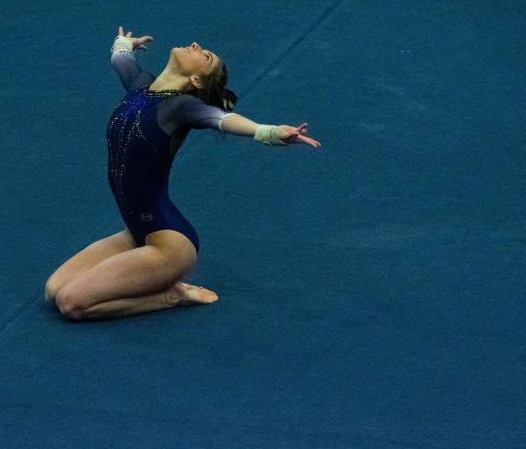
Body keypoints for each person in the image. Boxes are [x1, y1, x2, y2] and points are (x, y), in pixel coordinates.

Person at [45, 27, 320, 321]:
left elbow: (223, 120)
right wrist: (125, 43)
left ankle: (169, 295)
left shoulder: (181, 108)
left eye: (205, 56)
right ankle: (146, 275)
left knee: (71, 303)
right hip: (135, 233)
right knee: (53, 290)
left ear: (196, 80)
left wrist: (272, 132)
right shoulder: (140, 85)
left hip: (170, 245)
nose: (196, 45)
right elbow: (120, 60)